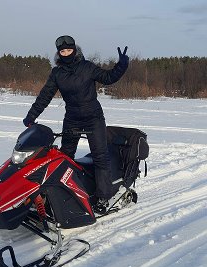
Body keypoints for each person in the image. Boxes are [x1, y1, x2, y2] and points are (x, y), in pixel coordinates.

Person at [23, 35, 129, 214]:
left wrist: (122, 65)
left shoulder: (87, 67)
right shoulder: (57, 73)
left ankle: (103, 196)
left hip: (93, 118)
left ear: (75, 50)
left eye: (69, 50)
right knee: (65, 157)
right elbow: (45, 96)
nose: (66, 54)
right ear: (59, 53)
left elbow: (108, 77)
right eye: (62, 51)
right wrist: (31, 116)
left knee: (100, 156)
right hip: (72, 118)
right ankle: (64, 193)